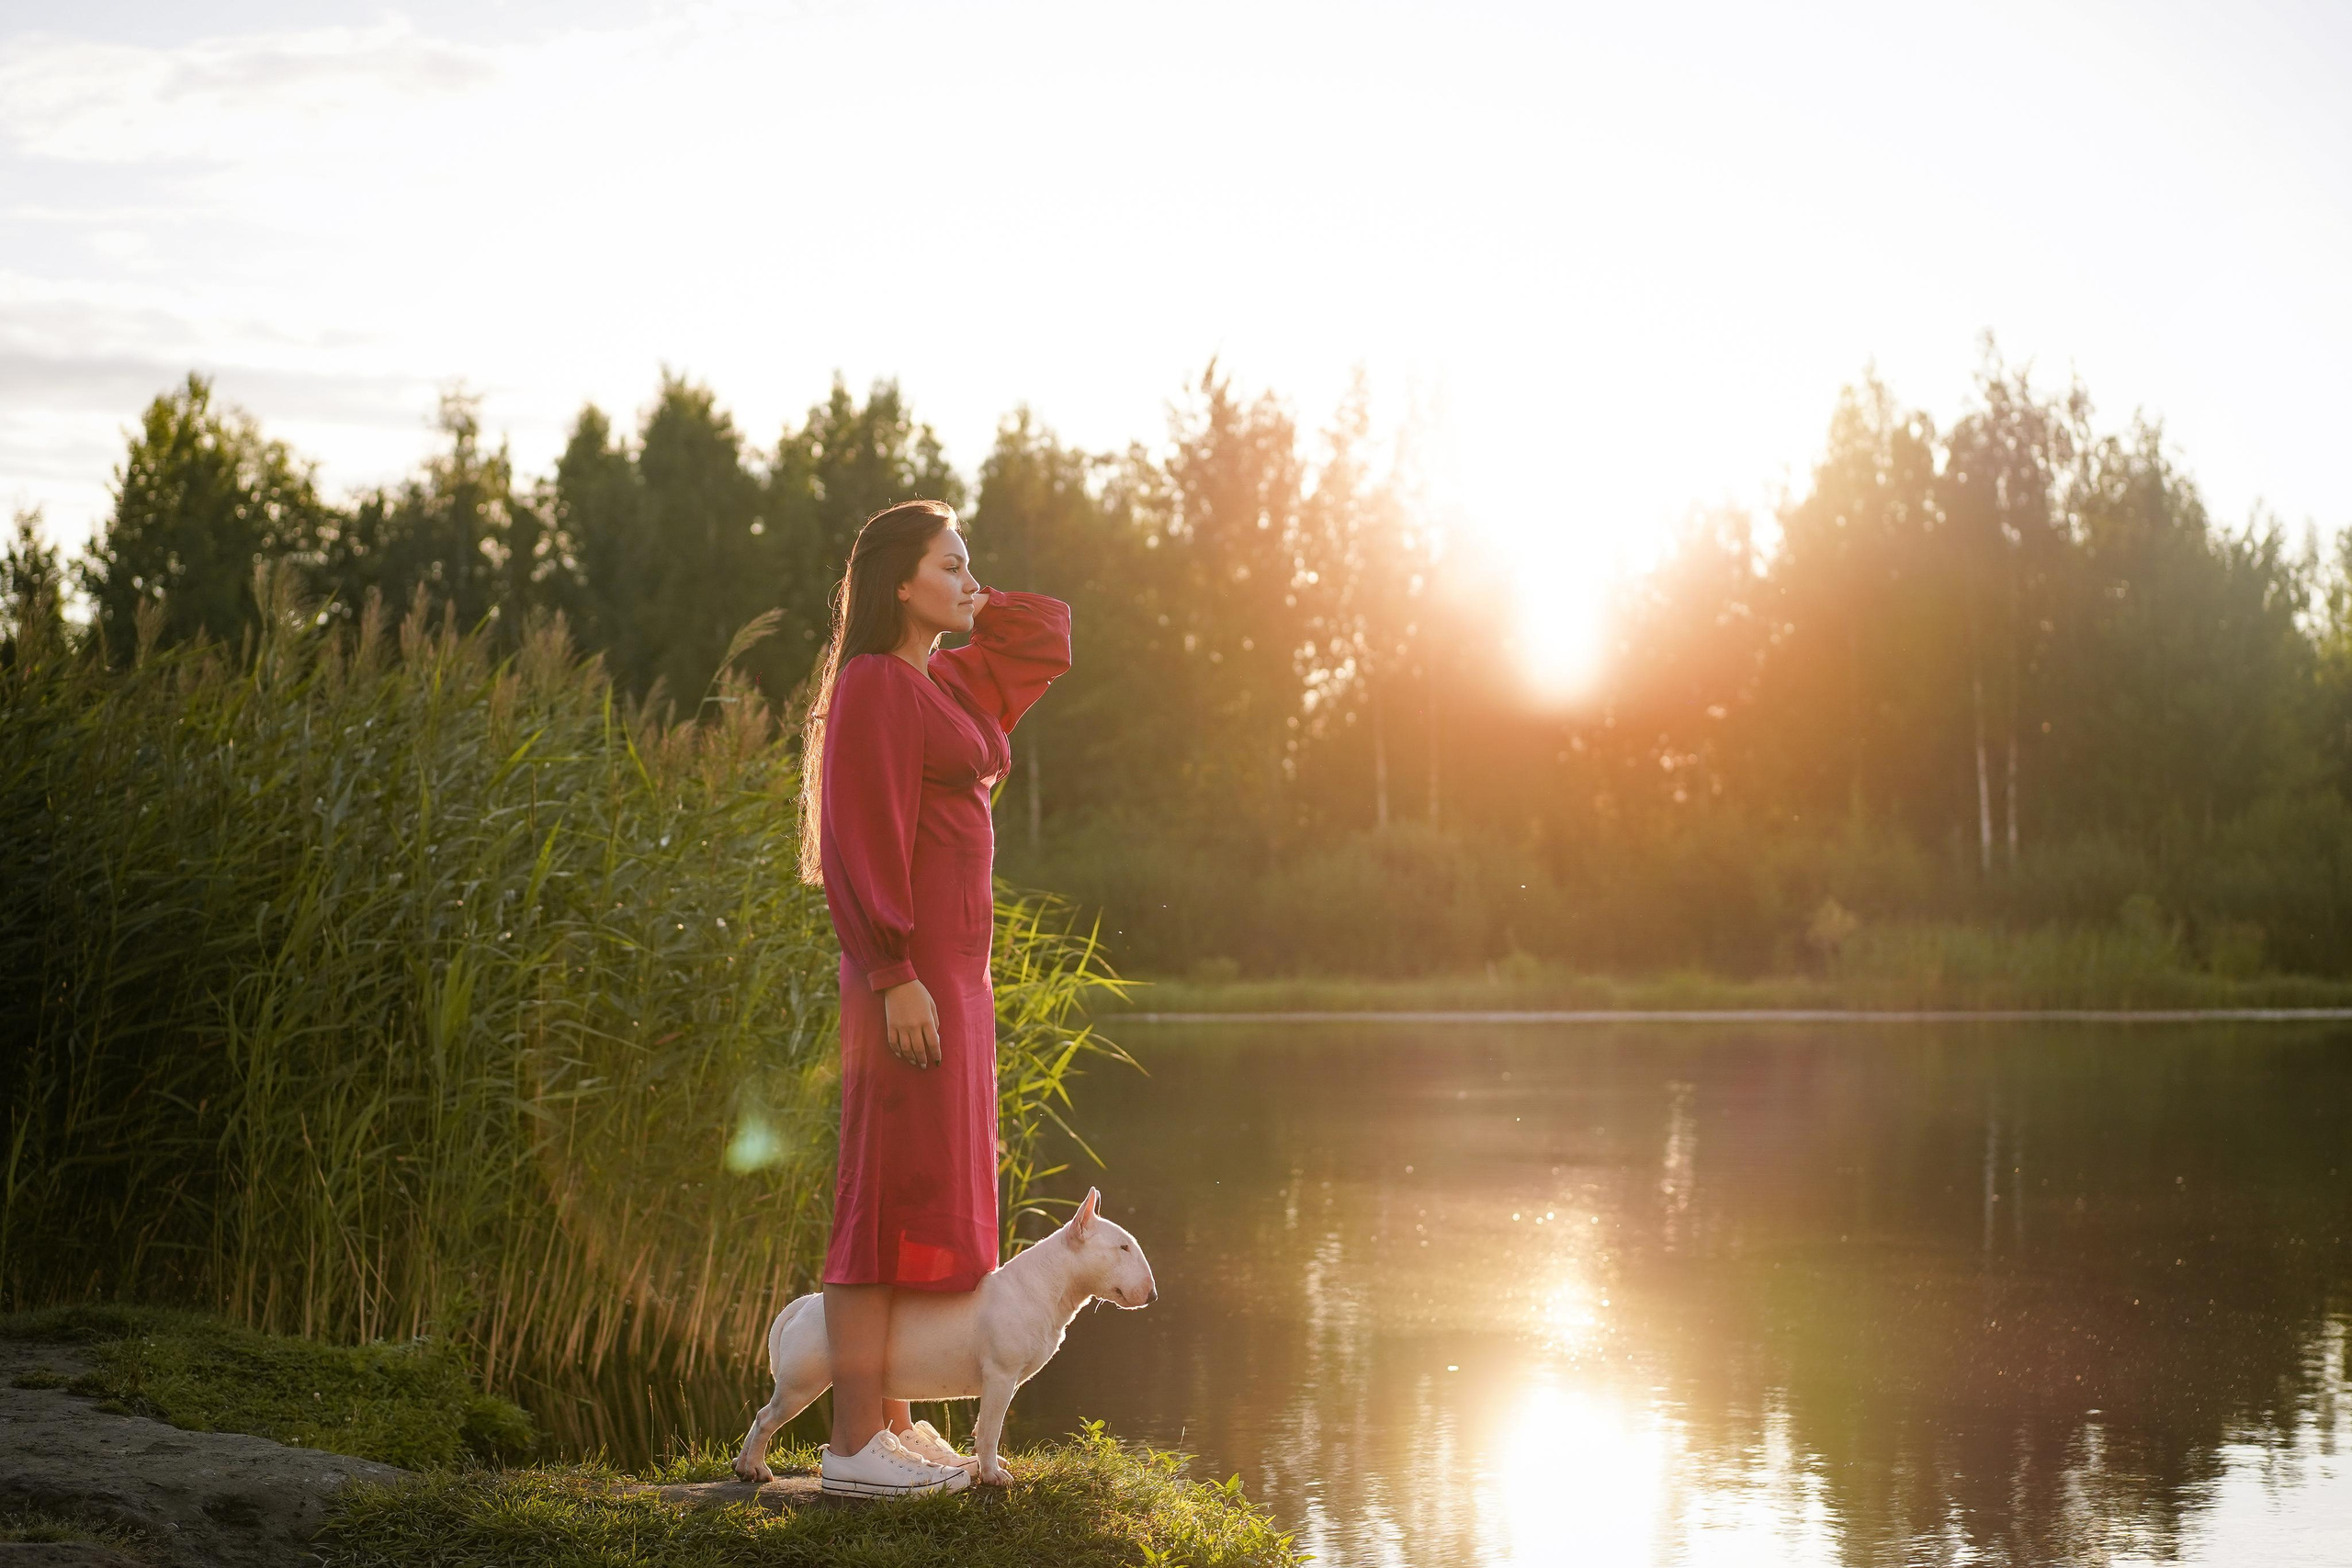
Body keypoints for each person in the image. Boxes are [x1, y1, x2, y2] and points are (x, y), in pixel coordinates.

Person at [796, 498, 1073, 1497]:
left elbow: (1044, 639)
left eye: (970, 568)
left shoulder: (943, 682)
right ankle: (849, 1445)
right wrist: (890, 971)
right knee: (878, 1206)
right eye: (949, 568)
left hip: (958, 985)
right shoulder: (875, 684)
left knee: (926, 1199)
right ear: (897, 584)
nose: (968, 583)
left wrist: (979, 594)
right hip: (908, 982)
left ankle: (895, 1423)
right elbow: (856, 839)